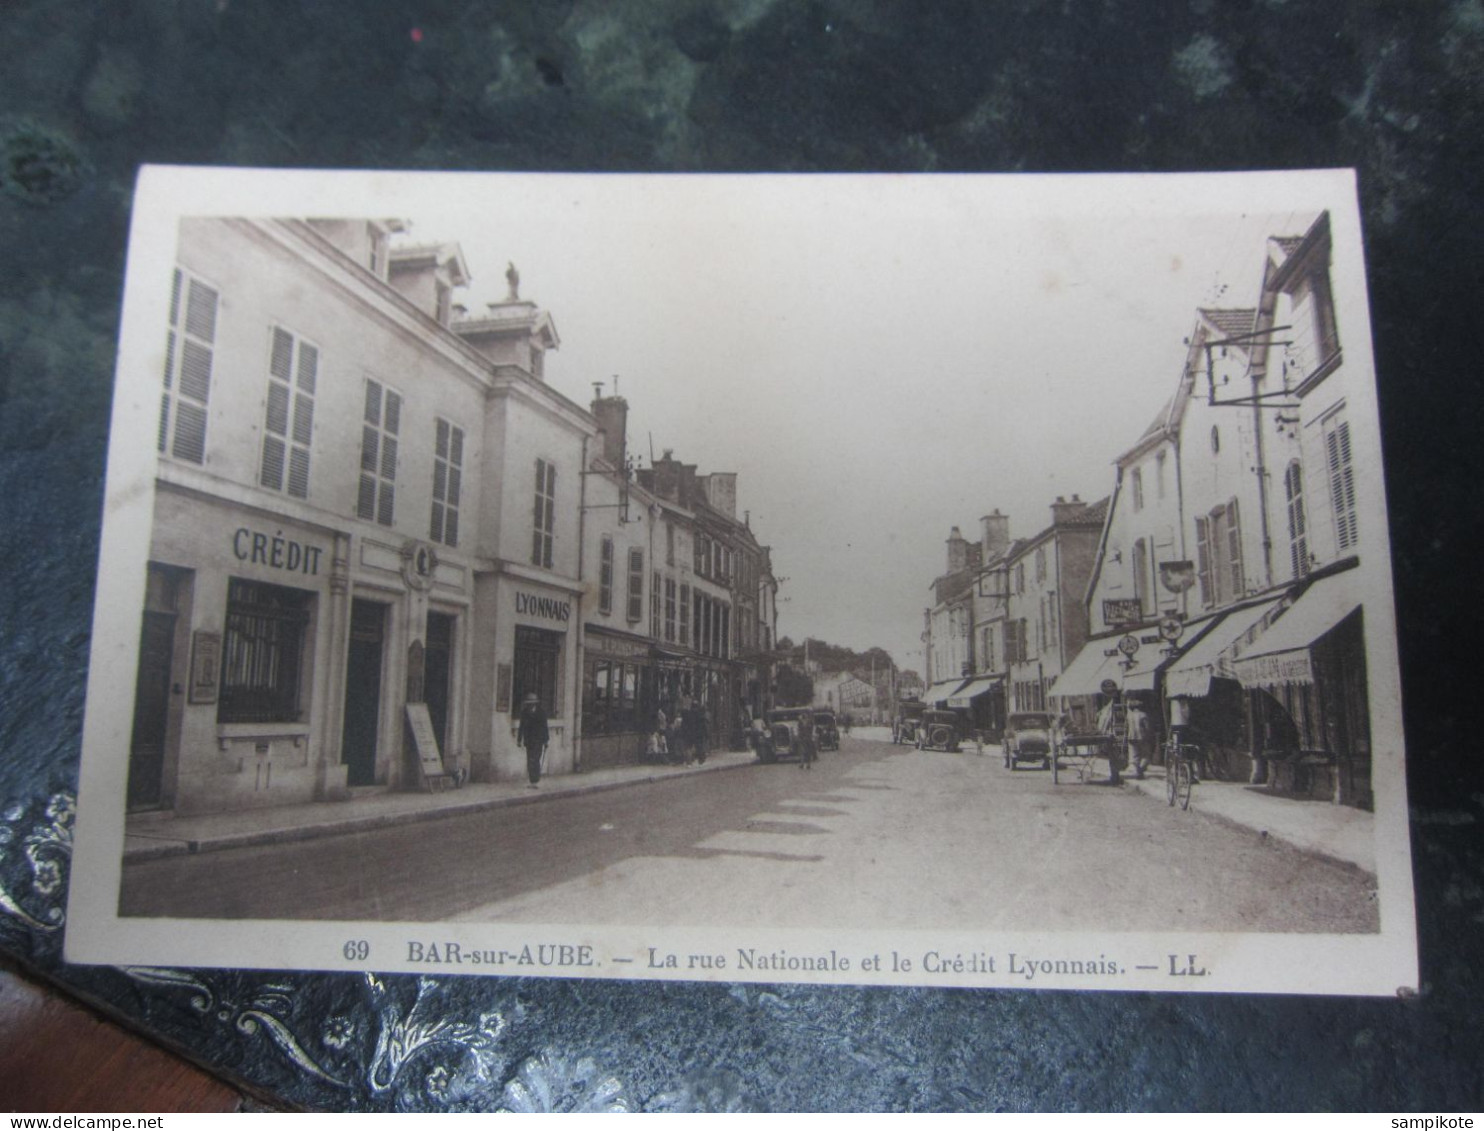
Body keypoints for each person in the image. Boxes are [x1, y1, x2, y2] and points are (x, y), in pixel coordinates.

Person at [516, 692, 548, 788]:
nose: (530, 705)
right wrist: (519, 739)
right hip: (529, 740)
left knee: (535, 760)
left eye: (532, 703)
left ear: (535, 703)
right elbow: (521, 727)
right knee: (530, 760)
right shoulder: (524, 713)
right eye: (529, 704)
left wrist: (546, 741)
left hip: (538, 741)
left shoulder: (541, 713)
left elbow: (544, 727)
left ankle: (535, 780)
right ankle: (532, 780)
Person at [1125, 697, 1154, 781]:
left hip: (1131, 737)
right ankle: (1140, 770)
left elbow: (1126, 727)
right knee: (1146, 755)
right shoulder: (1143, 715)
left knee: (1135, 756)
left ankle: (1137, 771)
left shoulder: (1129, 716)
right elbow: (1147, 728)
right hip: (1142, 737)